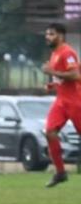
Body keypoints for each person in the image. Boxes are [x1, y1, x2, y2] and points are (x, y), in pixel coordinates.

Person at [41, 22, 80, 188]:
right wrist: (52, 84)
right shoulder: (55, 53)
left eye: (51, 34)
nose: (47, 37)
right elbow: (63, 78)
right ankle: (60, 172)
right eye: (47, 34)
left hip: (76, 101)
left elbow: (75, 75)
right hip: (61, 101)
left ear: (61, 35)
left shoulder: (67, 52)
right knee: (50, 132)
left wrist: (51, 73)